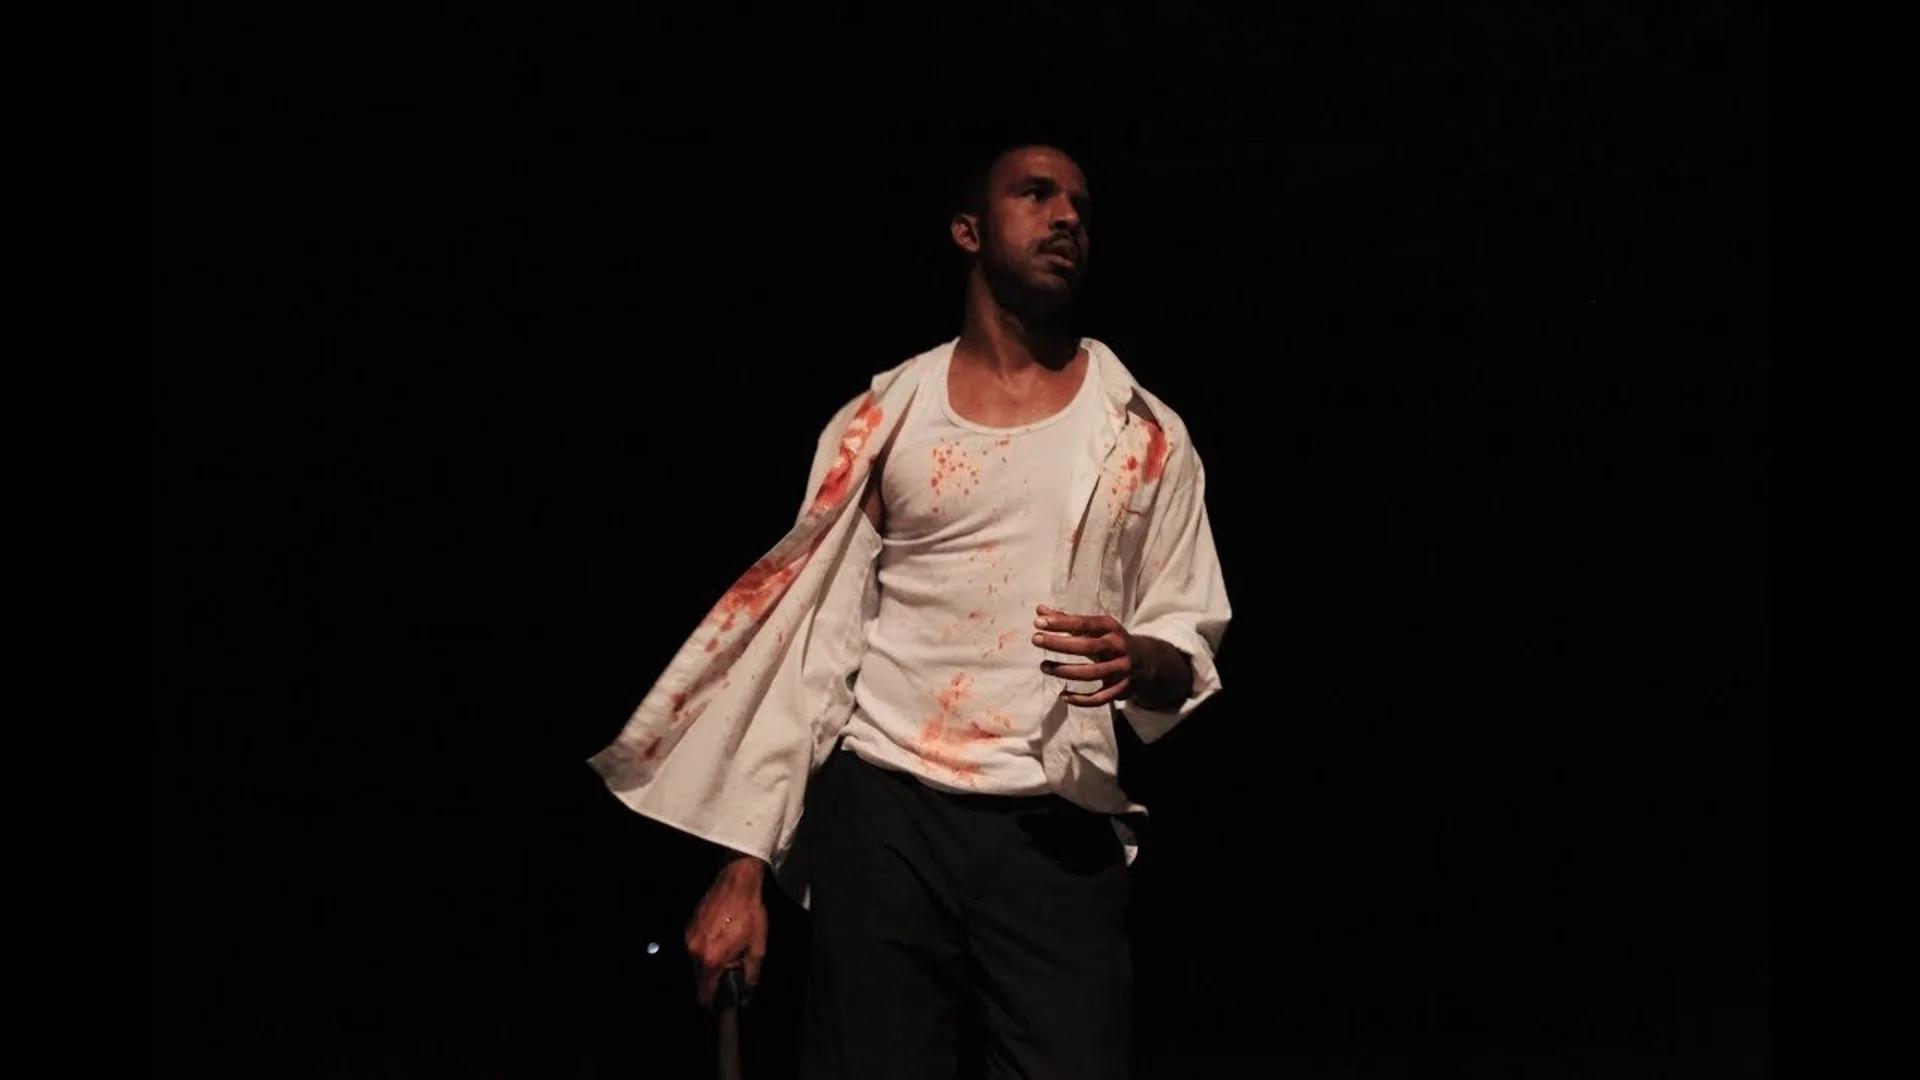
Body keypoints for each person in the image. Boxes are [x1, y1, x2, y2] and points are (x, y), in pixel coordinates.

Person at [588, 141, 1231, 1078]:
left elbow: (1186, 640)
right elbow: (814, 649)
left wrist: (1143, 656)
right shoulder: (886, 417)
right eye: (1036, 195)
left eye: (1081, 207)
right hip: (886, 806)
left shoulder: (1143, 431)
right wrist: (742, 868)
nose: (1066, 218)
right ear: (969, 231)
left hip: (1053, 824)